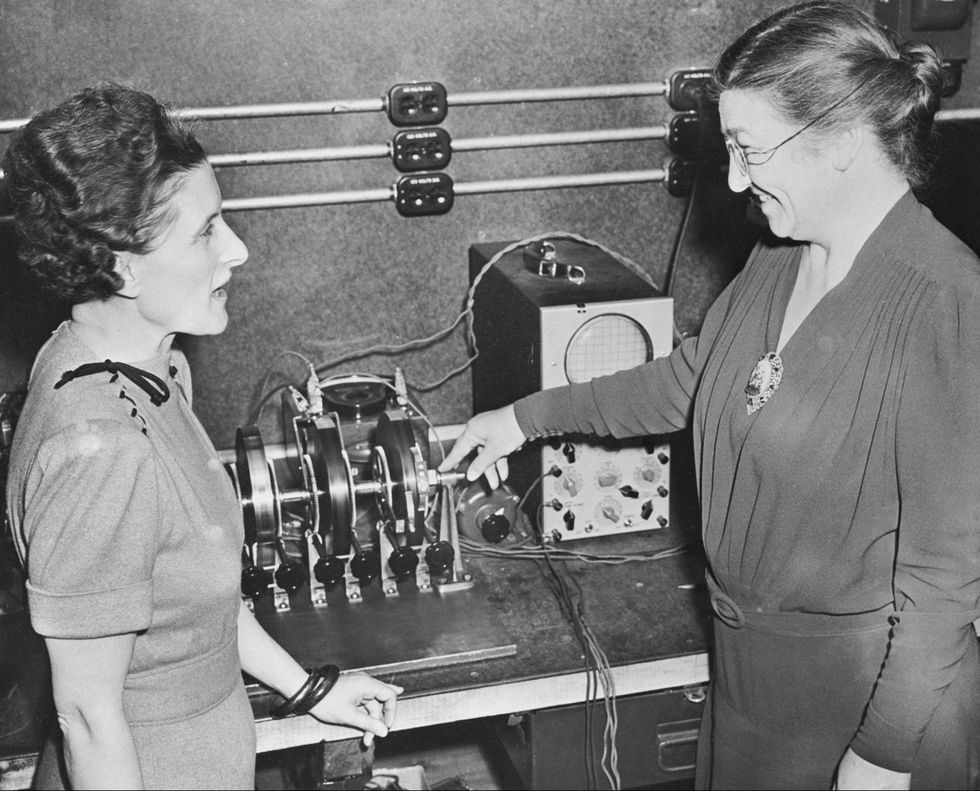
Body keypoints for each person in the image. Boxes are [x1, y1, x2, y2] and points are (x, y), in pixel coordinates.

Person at [439, 2, 980, 788]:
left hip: (869, 704)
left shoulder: (945, 301)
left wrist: (885, 756)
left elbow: (942, 580)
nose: (732, 180)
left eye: (748, 150)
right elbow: (688, 382)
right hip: (750, 678)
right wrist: (522, 419)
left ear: (839, 144)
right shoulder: (779, 256)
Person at [2, 82, 402, 790]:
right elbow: (88, 715)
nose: (238, 250)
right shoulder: (102, 447)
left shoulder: (134, 367)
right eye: (206, 230)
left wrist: (312, 689)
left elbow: (198, 597)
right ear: (123, 266)